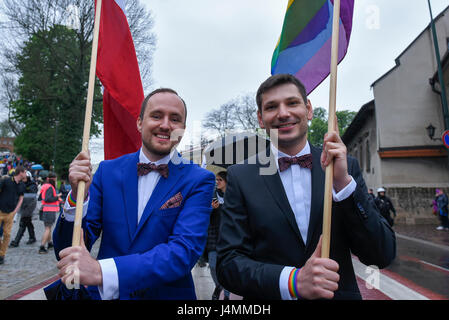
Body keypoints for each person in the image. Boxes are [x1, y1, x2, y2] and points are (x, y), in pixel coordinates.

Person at [216, 74, 396, 300]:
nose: (283, 113)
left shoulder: (344, 167)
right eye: (271, 107)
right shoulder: (241, 176)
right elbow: (228, 265)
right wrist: (292, 281)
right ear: (261, 119)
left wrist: (343, 185)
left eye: (292, 103)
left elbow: (381, 254)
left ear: (308, 109)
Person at [52, 88, 215, 300]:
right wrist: (76, 196)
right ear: (139, 122)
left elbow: (182, 253)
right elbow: (68, 250)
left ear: (183, 129)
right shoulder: (107, 171)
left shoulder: (199, 179)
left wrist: (102, 272)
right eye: (156, 116)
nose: (165, 125)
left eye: (175, 119)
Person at [206, 171, 230, 300]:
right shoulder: (212, 195)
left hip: (229, 238)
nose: (217, 182)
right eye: (216, 179)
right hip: (214, 236)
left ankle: (226, 294)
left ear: (226, 181)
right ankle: (219, 286)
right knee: (213, 265)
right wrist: (211, 209)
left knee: (226, 268)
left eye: (220, 179)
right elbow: (203, 214)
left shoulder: (234, 197)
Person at [0, 166, 26, 265]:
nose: (26, 175)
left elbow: (21, 198)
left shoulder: (22, 185)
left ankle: (2, 255)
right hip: (0, 210)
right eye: (25, 172)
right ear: (21, 172)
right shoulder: (6, 180)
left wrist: (15, 211)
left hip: (11, 212)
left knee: (7, 234)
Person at [9, 171, 38, 247]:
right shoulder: (21, 184)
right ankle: (32, 237)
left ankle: (16, 241)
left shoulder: (32, 184)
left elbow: (32, 194)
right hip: (23, 205)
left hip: (30, 205)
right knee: (28, 222)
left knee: (23, 222)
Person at [38, 172, 61, 254]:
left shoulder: (44, 186)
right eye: (56, 178)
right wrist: (57, 197)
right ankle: (42, 247)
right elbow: (48, 199)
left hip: (46, 210)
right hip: (49, 210)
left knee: (49, 227)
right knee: (48, 228)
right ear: (53, 179)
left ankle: (50, 243)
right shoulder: (50, 187)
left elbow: (42, 198)